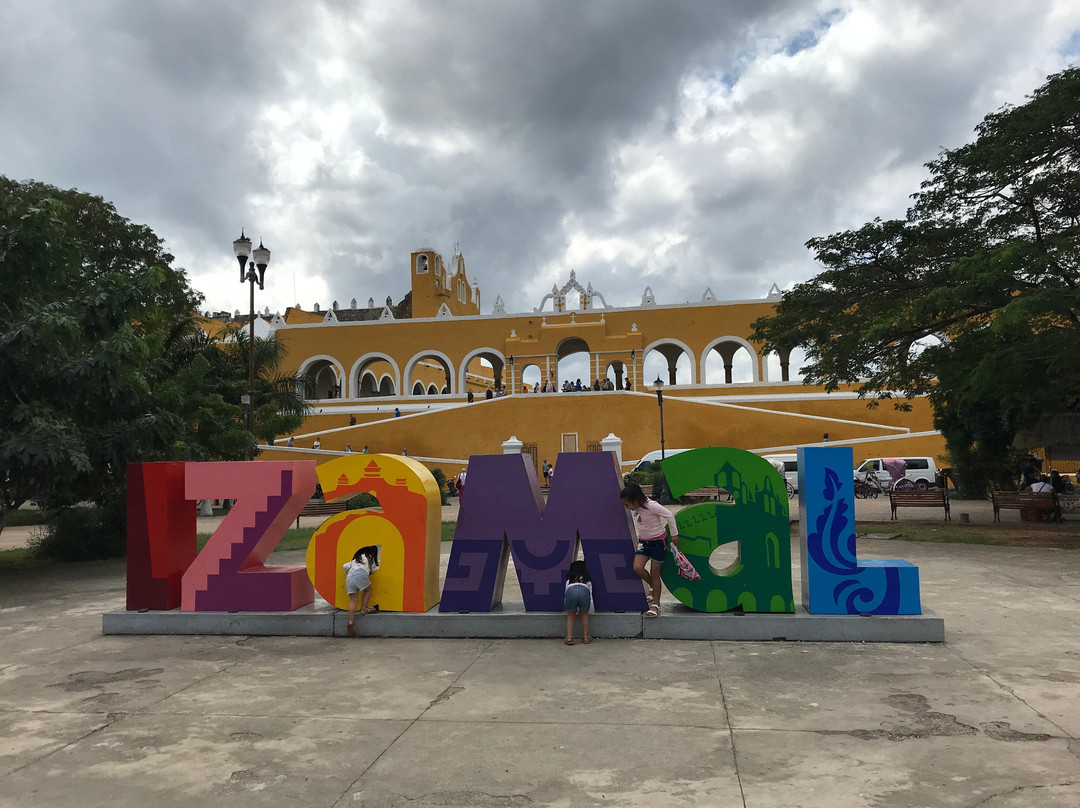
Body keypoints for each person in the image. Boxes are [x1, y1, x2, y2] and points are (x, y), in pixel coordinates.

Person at [620, 481, 678, 617]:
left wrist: (674, 534)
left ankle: (656, 605)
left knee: (655, 573)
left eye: (628, 505)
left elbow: (669, 515)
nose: (628, 508)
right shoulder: (635, 506)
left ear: (635, 500)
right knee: (637, 568)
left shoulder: (651, 506)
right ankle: (653, 586)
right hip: (644, 542)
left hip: (658, 542)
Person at [343, 545, 381, 636]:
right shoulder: (369, 557)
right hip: (360, 574)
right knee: (367, 590)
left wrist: (349, 572)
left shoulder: (355, 559)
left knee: (353, 600)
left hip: (349, 577)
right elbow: (374, 569)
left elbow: (345, 566)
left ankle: (351, 622)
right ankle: (364, 609)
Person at [563, 559, 593, 645]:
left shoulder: (570, 579)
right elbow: (590, 591)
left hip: (571, 590)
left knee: (570, 616)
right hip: (584, 589)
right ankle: (586, 637)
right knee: (584, 615)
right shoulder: (586, 578)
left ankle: (569, 637)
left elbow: (566, 590)